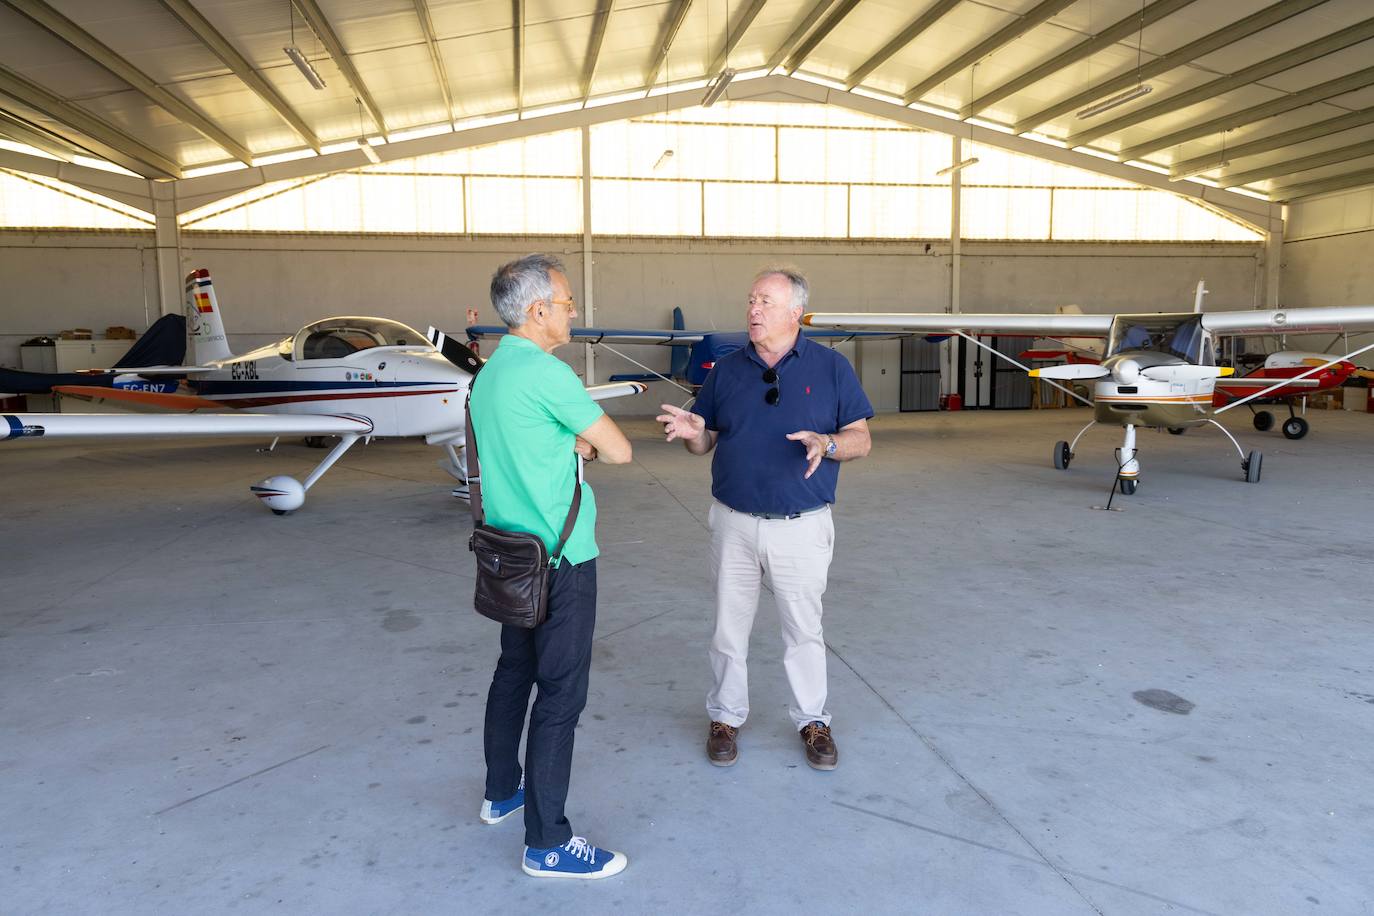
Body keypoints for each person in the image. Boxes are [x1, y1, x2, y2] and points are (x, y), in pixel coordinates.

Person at [657, 267, 872, 771]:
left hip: (803, 524)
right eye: (751, 300)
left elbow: (861, 438)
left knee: (803, 628)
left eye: (766, 302)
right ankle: (725, 717)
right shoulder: (727, 370)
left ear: (796, 312)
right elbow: (704, 441)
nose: (753, 310)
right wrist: (692, 430)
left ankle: (812, 719)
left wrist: (829, 443)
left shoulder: (832, 368)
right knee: (728, 629)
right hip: (734, 522)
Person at [470, 253, 633, 880]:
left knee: (514, 673)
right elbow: (617, 450)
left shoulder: (490, 374)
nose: (572, 312)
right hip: (563, 561)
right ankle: (547, 843)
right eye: (566, 303)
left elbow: (523, 441)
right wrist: (582, 441)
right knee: (561, 695)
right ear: (538, 311)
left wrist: (567, 442)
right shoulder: (548, 375)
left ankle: (501, 793)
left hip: (512, 559)